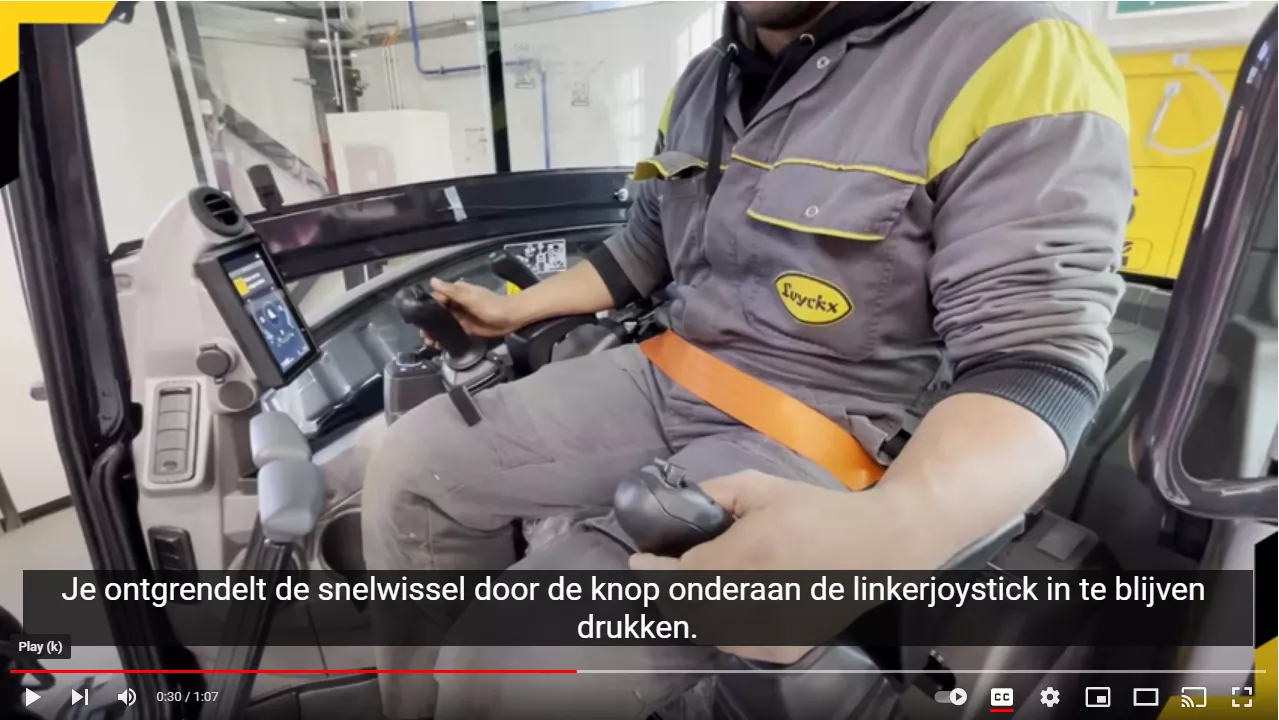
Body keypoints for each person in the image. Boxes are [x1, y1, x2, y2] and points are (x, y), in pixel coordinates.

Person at [362, 1, 1132, 718]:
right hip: (669, 369)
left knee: (507, 663)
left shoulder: (1015, 52)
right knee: (413, 464)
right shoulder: (702, 79)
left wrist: (892, 530)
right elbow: (643, 247)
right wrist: (516, 309)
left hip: (819, 424)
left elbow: (1035, 361)